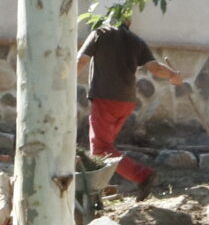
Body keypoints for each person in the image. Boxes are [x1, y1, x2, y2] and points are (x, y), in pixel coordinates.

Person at [77, 14, 186, 190]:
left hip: (106, 99)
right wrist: (174, 75)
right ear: (129, 22)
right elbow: (156, 68)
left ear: (110, 18)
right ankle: (101, 186)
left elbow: (80, 61)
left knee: (100, 149)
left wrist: (61, 81)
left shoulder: (100, 33)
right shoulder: (137, 41)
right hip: (126, 102)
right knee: (106, 148)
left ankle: (143, 176)